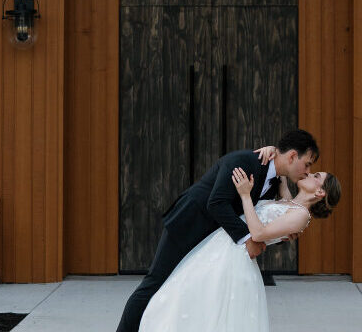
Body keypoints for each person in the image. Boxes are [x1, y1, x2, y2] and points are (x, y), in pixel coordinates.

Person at [115, 129, 320, 332]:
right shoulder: (245, 162)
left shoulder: (276, 179)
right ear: (293, 156)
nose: (307, 171)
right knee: (154, 283)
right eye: (308, 164)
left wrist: (282, 233)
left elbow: (273, 212)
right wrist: (248, 238)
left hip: (215, 239)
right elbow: (217, 203)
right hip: (189, 225)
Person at [137, 164, 341, 331]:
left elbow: (259, 233)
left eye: (316, 176)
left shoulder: (301, 216)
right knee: (184, 300)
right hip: (221, 249)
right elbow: (284, 188)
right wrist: (279, 164)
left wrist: (245, 195)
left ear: (320, 191)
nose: (309, 173)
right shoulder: (291, 204)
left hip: (234, 260)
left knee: (204, 308)